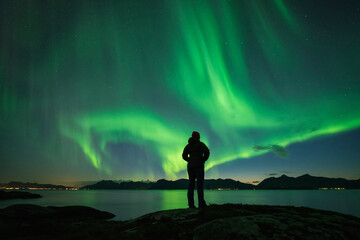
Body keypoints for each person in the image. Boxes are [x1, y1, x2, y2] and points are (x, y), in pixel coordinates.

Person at [182, 131, 210, 209]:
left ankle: (191, 205)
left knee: (191, 185)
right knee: (199, 186)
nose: (199, 138)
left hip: (190, 167)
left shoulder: (188, 146)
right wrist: (203, 159)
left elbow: (184, 156)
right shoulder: (200, 144)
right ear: (197, 137)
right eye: (198, 136)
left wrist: (190, 160)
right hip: (199, 166)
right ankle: (201, 204)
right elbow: (207, 152)